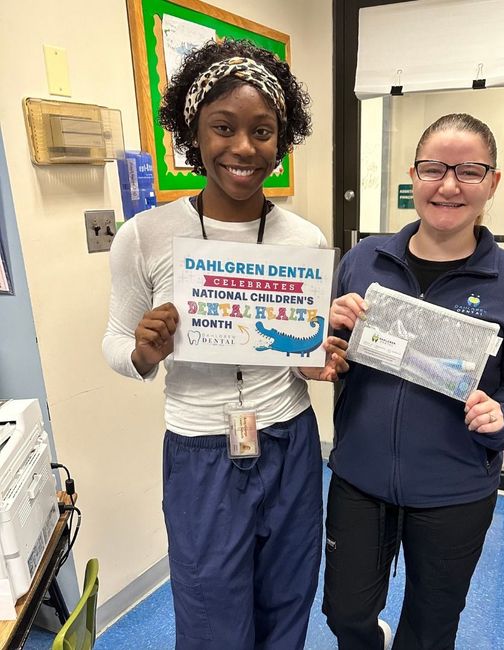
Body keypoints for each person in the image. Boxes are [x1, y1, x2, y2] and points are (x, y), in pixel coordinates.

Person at [103, 38, 347, 650]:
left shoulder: (303, 236)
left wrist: (318, 360)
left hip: (290, 441)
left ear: (281, 141)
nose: (243, 147)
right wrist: (142, 353)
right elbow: (114, 343)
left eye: (263, 131)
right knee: (212, 614)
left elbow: (304, 347)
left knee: (289, 600)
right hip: (200, 450)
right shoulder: (146, 236)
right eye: (223, 127)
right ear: (194, 135)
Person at [323, 113, 504, 650]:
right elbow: (333, 358)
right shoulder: (364, 260)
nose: (448, 185)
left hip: (455, 489)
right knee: (344, 614)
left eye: (468, 171)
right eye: (433, 169)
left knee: (431, 628)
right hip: (359, 477)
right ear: (413, 176)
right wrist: (329, 339)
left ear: (493, 183)